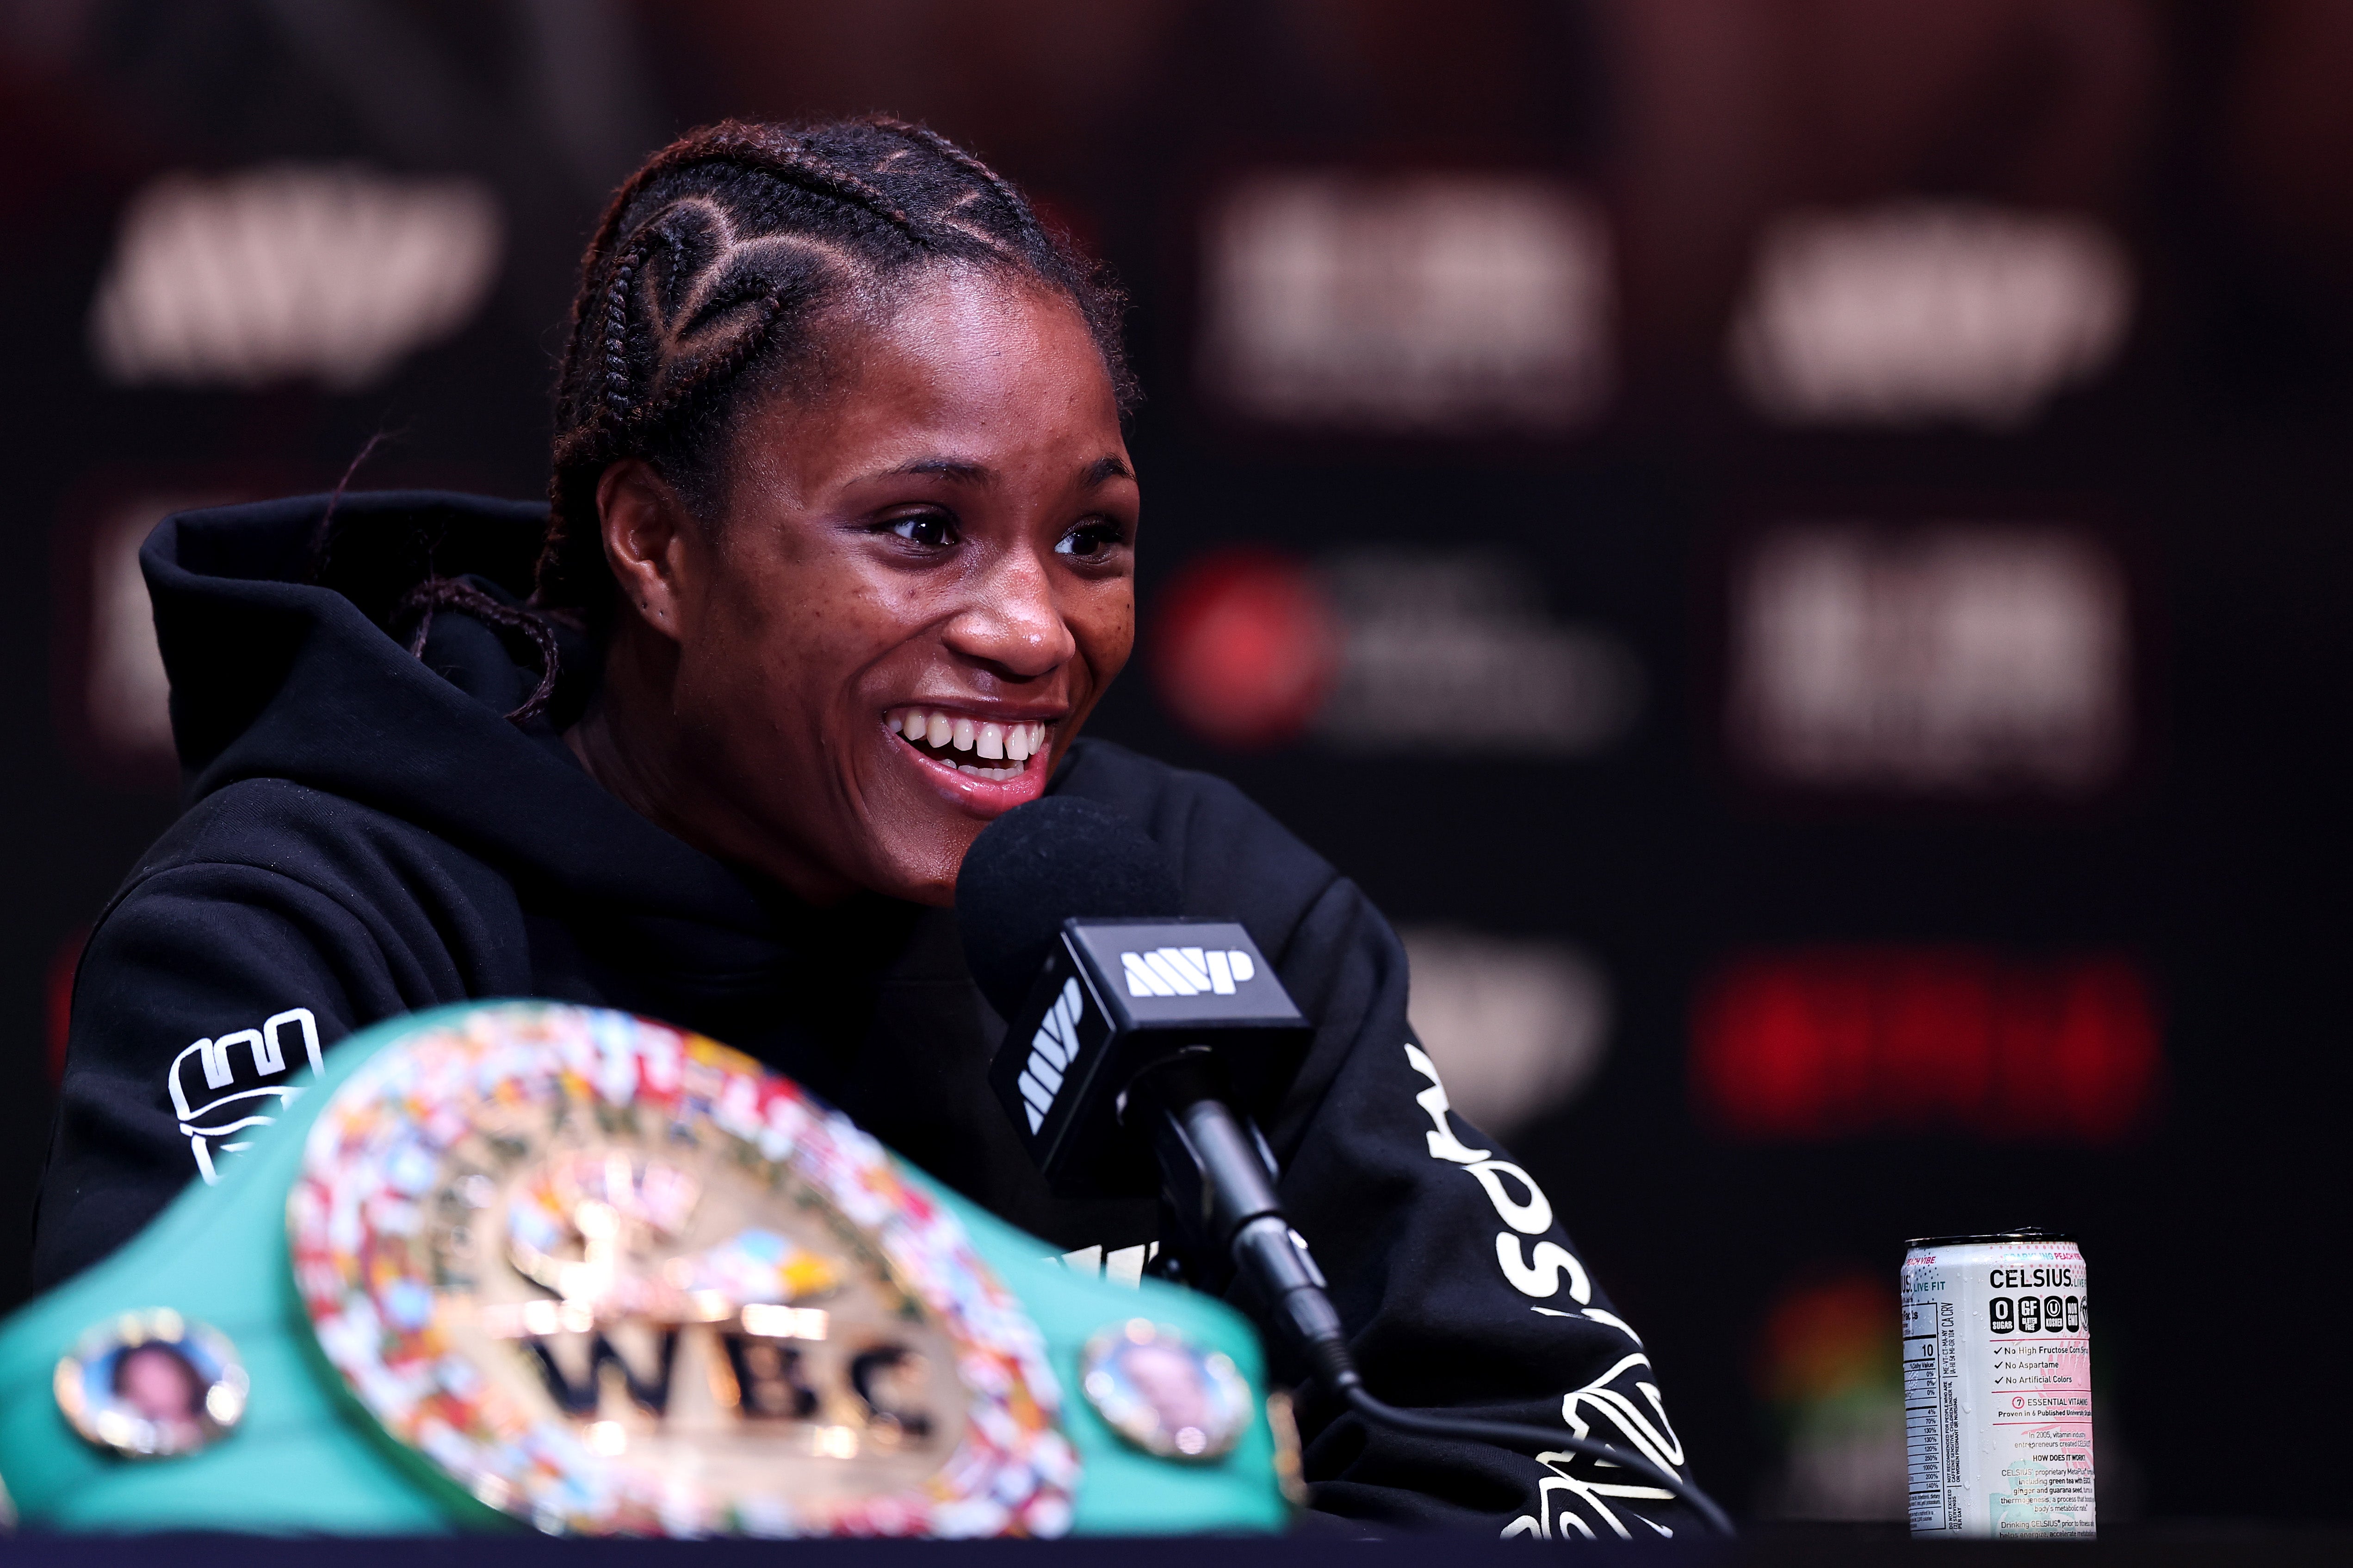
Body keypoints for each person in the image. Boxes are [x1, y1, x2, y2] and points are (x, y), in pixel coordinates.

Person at [37, 117, 1693, 1538]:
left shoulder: (1198, 903)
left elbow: (1591, 1486)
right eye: (922, 530)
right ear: (655, 547)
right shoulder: (311, 923)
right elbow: (185, 1493)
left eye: (1091, 542)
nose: (1034, 631)